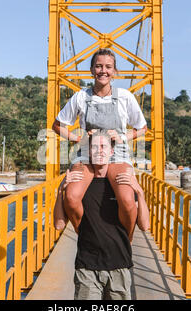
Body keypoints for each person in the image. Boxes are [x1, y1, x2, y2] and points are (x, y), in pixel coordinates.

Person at [52, 48, 148, 241]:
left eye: (108, 67)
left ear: (114, 72)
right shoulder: (80, 97)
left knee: (128, 199)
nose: (103, 70)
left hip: (117, 154)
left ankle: (125, 240)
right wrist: (77, 138)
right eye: (98, 66)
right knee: (71, 196)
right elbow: (56, 126)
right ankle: (88, 236)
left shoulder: (125, 97)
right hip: (87, 153)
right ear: (91, 70)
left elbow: (142, 128)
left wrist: (122, 137)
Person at [53, 130, 149, 300]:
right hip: (87, 267)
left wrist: (139, 192)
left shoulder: (123, 184)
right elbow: (59, 225)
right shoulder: (79, 185)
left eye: (104, 146)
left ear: (112, 152)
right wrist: (61, 190)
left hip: (119, 265)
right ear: (88, 152)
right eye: (94, 147)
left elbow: (145, 226)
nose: (99, 151)